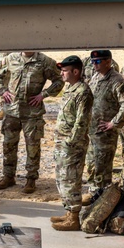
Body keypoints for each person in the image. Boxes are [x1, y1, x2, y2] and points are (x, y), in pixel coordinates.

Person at [0, 51, 63, 193]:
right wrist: (2, 91)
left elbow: (59, 80)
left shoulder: (44, 61)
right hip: (12, 110)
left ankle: (31, 179)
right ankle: (8, 176)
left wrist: (43, 95)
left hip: (32, 112)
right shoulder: (10, 59)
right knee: (9, 145)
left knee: (33, 147)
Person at [50, 56, 94, 232]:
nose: (61, 73)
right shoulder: (71, 89)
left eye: (65, 70)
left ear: (76, 72)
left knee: (71, 179)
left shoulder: (83, 92)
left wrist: (70, 142)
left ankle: (74, 218)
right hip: (63, 143)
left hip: (72, 145)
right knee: (62, 179)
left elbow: (81, 122)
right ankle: (68, 212)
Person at [84, 50, 124, 200]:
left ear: (108, 61)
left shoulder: (116, 80)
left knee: (102, 167)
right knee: (92, 164)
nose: (94, 65)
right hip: (92, 130)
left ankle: (101, 199)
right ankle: (93, 194)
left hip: (105, 134)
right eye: (93, 62)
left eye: (98, 62)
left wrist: (114, 123)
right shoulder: (95, 77)